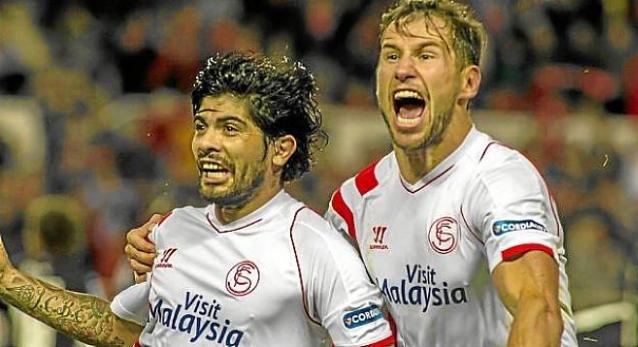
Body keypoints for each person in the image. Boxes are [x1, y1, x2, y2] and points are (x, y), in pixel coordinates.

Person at [126, 1, 578, 346]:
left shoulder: (498, 179)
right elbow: (290, 289)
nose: (404, 69)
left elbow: (537, 310)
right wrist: (172, 247)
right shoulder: (354, 203)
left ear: (468, 83)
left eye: (426, 55)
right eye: (391, 55)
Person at [0, 52, 395, 347]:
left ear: (281, 149)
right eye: (202, 126)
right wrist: (10, 281)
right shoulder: (172, 229)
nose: (206, 143)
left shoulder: (317, 249)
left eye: (230, 128)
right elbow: (120, 330)